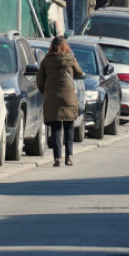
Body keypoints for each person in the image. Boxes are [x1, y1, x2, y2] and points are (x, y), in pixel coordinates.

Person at [36, 35, 85, 167]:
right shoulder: (70, 58)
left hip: (52, 98)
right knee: (69, 128)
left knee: (56, 129)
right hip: (69, 97)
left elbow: (39, 80)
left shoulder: (47, 60)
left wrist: (45, 91)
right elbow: (79, 73)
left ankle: (57, 158)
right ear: (65, 46)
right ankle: (69, 157)